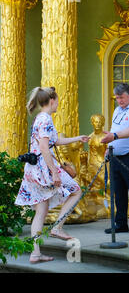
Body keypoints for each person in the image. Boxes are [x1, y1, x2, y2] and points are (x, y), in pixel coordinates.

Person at [15, 87, 90, 264]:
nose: (58, 103)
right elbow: (43, 147)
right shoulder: (46, 119)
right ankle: (57, 227)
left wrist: (77, 138)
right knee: (76, 190)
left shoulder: (40, 118)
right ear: (51, 101)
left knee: (41, 211)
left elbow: (54, 141)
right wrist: (55, 172)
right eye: (57, 100)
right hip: (44, 167)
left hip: (34, 169)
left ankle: (35, 253)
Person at [101, 83, 129, 235]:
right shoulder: (117, 111)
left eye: (121, 97)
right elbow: (115, 130)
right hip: (116, 156)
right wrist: (109, 147)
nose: (119, 101)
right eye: (117, 98)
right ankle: (120, 224)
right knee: (118, 192)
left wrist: (113, 136)